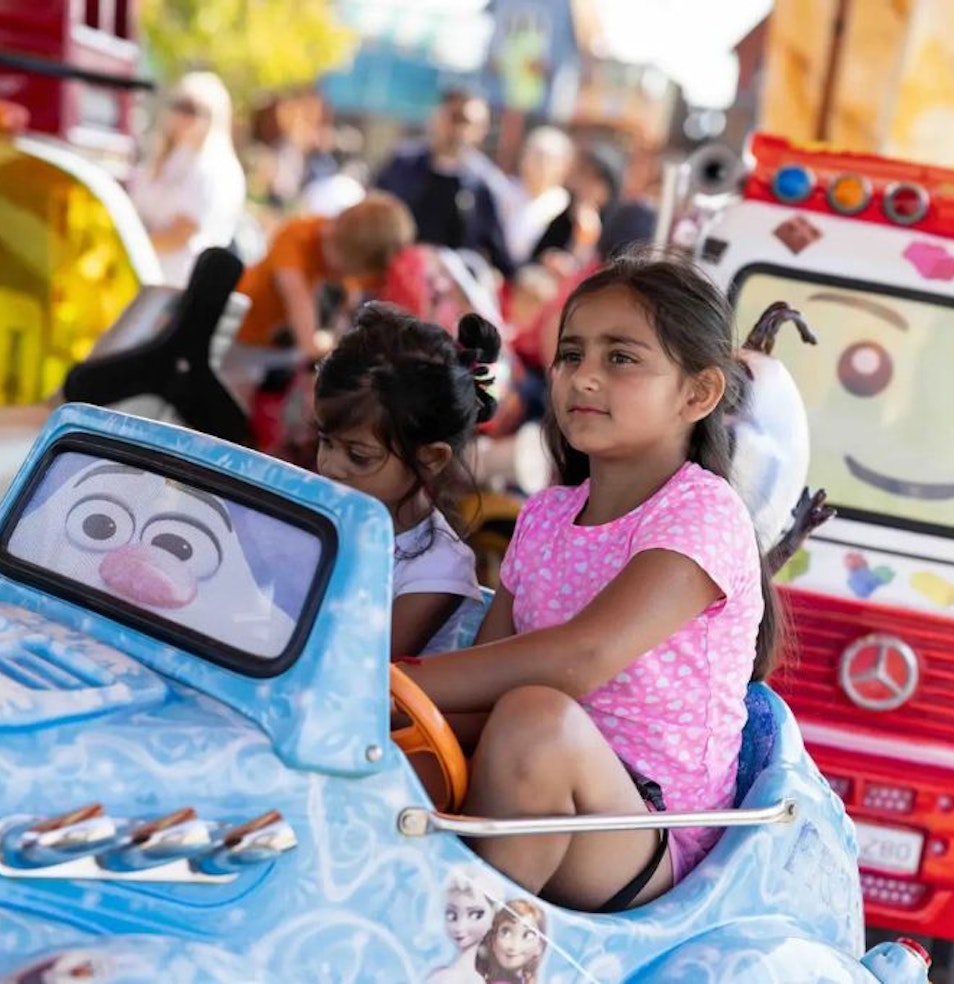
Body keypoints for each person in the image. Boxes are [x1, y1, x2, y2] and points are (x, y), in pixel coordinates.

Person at [397, 250, 778, 912]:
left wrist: (388, 680)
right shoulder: (545, 515)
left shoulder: (702, 512)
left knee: (536, 716)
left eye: (620, 358)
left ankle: (464, 956)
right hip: (533, 784)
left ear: (698, 393)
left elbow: (580, 657)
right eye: (572, 355)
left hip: (644, 833)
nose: (585, 377)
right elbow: (485, 676)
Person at [313, 303, 497, 658]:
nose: (331, 466)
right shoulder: (321, 509)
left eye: (358, 455)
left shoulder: (438, 568)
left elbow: (365, 676)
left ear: (432, 458)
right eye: (325, 442)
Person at [230, 192, 417, 370]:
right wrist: (319, 354)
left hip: (280, 350)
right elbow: (299, 303)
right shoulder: (298, 234)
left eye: (348, 271)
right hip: (240, 329)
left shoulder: (361, 260)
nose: (326, 233)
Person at [376, 89, 514, 277]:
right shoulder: (402, 164)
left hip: (449, 290)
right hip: (394, 278)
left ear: (481, 130)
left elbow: (497, 252)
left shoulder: (485, 185)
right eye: (453, 118)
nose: (457, 130)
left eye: (466, 122)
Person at [130, 71, 247, 287]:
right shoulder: (169, 157)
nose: (183, 116)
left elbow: (181, 234)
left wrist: (129, 244)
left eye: (192, 109)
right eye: (179, 106)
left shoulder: (214, 167)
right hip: (146, 274)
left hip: (178, 285)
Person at [500, 127, 574, 268]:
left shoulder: (566, 206)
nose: (542, 165)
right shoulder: (502, 191)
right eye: (537, 156)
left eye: (550, 159)